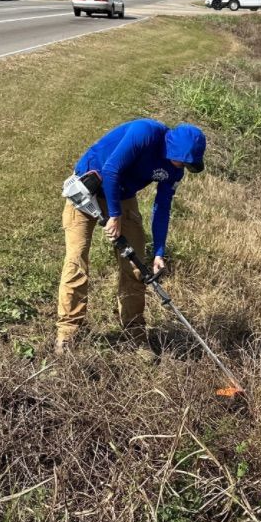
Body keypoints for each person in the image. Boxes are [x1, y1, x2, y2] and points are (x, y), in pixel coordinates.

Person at [56, 120, 206, 353]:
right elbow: (111, 169)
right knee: (76, 260)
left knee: (136, 266)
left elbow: (162, 207)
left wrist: (159, 252)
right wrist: (114, 216)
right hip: (88, 188)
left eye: (188, 163)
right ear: (172, 147)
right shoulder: (144, 133)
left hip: (123, 195)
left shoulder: (175, 171)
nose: (182, 166)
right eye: (181, 160)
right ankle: (67, 332)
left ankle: (134, 332)